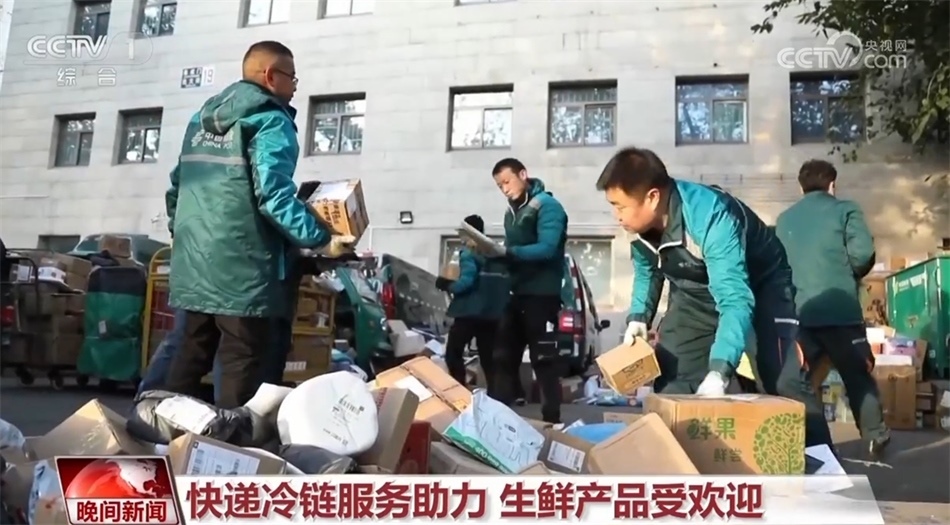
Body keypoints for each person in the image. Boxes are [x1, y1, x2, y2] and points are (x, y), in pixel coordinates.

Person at [596, 146, 833, 448]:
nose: (616, 216)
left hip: (759, 288)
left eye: (620, 206)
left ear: (652, 197)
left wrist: (720, 371)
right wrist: (638, 317)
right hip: (694, 295)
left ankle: (824, 464)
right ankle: (679, 461)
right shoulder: (640, 228)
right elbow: (647, 270)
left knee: (780, 377)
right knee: (673, 376)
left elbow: (735, 300)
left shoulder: (710, 217)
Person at [163, 40, 354, 409]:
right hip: (244, 271)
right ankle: (232, 441)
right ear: (270, 76)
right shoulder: (271, 120)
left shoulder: (199, 121)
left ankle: (164, 430)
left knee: (189, 356)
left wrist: (180, 233)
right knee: (241, 367)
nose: (295, 85)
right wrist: (320, 238)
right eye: (292, 77)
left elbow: (177, 185)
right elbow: (273, 195)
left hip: (194, 265)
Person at [776, 159, 890, 458]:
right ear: (832, 185)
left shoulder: (785, 220)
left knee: (798, 381)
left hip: (800, 315)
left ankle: (815, 445)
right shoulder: (846, 210)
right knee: (857, 376)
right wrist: (847, 273)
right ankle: (875, 436)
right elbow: (862, 254)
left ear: (801, 187)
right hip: (841, 312)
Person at [490, 158, 569, 424]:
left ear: (523, 175)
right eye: (499, 186)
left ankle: (552, 423)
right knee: (502, 357)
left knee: (544, 361)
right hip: (517, 295)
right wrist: (491, 255)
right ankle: (495, 423)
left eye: (507, 181)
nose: (505, 189)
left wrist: (508, 253)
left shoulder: (547, 206)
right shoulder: (510, 213)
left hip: (542, 297)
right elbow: (511, 253)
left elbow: (547, 249)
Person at [436, 214, 510, 392]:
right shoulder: (495, 254)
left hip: (468, 312)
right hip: (491, 314)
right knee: (488, 357)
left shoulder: (468, 254)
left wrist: (448, 285)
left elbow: (466, 282)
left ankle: (459, 390)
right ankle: (496, 394)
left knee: (454, 352)